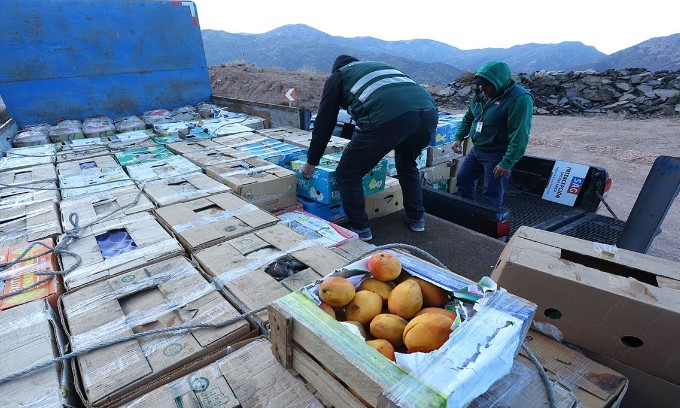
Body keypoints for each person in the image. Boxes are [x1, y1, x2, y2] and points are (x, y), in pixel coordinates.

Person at [301, 55, 438, 241]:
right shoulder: (379, 67)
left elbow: (325, 122)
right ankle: (416, 218)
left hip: (391, 117)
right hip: (429, 115)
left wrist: (311, 162)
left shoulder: (339, 76)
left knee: (348, 173)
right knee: (407, 164)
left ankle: (359, 229)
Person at [451, 61, 533, 208]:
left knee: (491, 193)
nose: (482, 88)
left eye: (486, 85)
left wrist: (507, 162)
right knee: (463, 180)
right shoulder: (480, 94)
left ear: (498, 82)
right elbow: (469, 117)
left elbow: (520, 134)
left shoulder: (519, 99)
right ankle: (467, 214)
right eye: (480, 84)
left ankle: (487, 227)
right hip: (477, 149)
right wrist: (458, 137)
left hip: (497, 153)